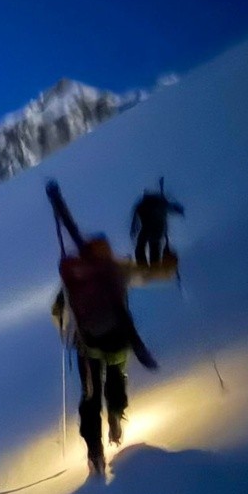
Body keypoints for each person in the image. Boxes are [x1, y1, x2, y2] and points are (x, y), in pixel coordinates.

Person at [47, 181, 157, 477]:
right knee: (116, 379)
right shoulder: (115, 270)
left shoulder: (73, 278)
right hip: (118, 341)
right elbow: (148, 274)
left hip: (87, 343)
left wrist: (65, 327)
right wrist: (169, 261)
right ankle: (116, 419)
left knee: (89, 395)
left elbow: (57, 311)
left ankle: (94, 452)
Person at [131, 178, 185, 268]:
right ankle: (151, 266)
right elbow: (172, 208)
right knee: (151, 246)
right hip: (155, 229)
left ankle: (147, 266)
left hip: (151, 228)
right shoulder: (155, 204)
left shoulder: (145, 205)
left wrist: (133, 228)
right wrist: (178, 209)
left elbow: (135, 220)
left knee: (144, 246)